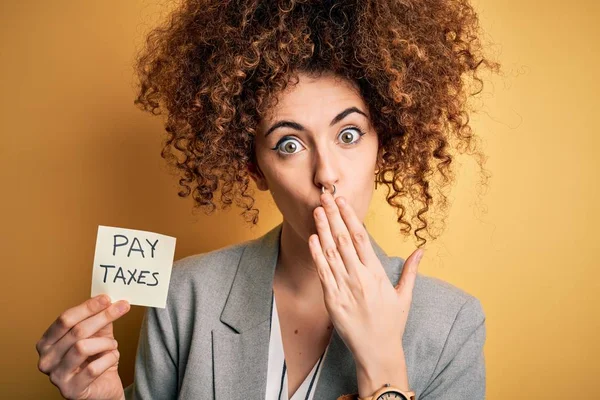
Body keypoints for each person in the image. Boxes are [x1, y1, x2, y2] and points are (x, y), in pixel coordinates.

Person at [36, 1, 499, 399]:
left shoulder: (452, 325)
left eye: (350, 134)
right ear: (254, 167)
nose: (326, 174)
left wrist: (382, 366)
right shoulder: (186, 296)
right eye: (289, 145)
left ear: (385, 143)